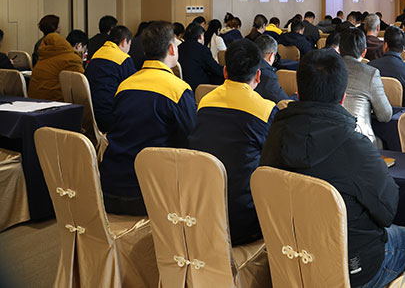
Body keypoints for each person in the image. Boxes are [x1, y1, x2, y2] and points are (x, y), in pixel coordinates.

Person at [260, 50, 405, 286]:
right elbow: (388, 212)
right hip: (354, 268)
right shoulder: (356, 146)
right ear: (342, 98)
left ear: (298, 91)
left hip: (292, 255)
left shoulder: (274, 134)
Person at [100, 21, 196, 215]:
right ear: (172, 49)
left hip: (107, 188)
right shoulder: (177, 90)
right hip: (149, 194)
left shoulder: (125, 86)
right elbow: (192, 140)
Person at [189, 39, 277, 245]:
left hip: (203, 214)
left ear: (225, 72)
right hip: (244, 221)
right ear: (258, 75)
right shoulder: (265, 111)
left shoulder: (204, 102)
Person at [340, 29, 392, 143]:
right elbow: (385, 115)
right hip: (360, 140)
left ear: (339, 50)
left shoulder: (328, 70)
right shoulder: (371, 73)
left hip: (331, 137)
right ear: (364, 52)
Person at [85, 25, 136, 132]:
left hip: (91, 115)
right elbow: (134, 89)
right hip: (111, 116)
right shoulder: (123, 59)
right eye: (129, 45)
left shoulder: (96, 55)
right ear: (124, 41)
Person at [368, 27, 405, 109]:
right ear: (403, 49)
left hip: (373, 114)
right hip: (402, 115)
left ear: (385, 45)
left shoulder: (369, 67)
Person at [27, 30, 85, 100]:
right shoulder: (72, 60)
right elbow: (82, 86)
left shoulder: (43, 58)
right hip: (55, 102)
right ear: (79, 46)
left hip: (33, 100)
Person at [178, 23, 224, 90]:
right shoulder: (202, 50)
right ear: (201, 36)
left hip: (182, 85)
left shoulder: (179, 47)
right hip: (198, 87)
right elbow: (215, 68)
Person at [254, 35, 290, 103]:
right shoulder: (269, 77)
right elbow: (284, 103)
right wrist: (295, 96)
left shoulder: (243, 66)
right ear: (271, 56)